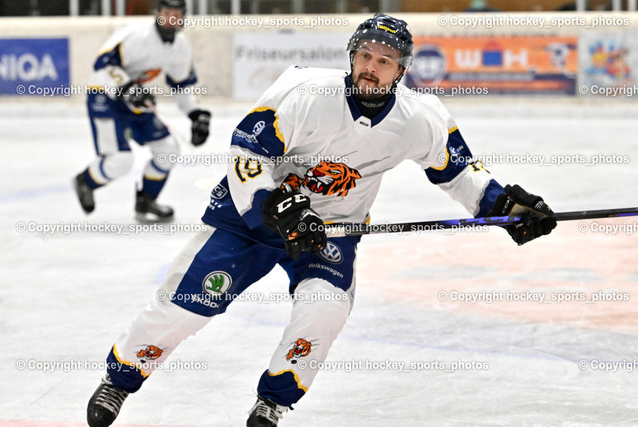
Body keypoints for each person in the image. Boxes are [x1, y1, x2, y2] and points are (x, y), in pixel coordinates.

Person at [86, 13, 556, 427]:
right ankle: (120, 380)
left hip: (330, 228)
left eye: (385, 60)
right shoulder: (305, 91)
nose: (371, 67)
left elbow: (460, 173)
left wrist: (505, 207)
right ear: (351, 57)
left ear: (402, 70)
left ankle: (274, 399)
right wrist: (274, 205)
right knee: (186, 305)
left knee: (326, 307)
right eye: (365, 55)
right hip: (250, 219)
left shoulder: (421, 117)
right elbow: (248, 152)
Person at [73, 0, 211, 222]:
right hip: (104, 96)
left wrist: (196, 114)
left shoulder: (181, 46)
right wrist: (127, 87)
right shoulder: (136, 36)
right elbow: (103, 65)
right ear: (157, 13)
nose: (172, 18)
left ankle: (146, 200)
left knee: (168, 149)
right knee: (120, 161)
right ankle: (85, 181)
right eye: (167, 13)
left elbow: (182, 86)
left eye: (177, 14)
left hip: (133, 99)